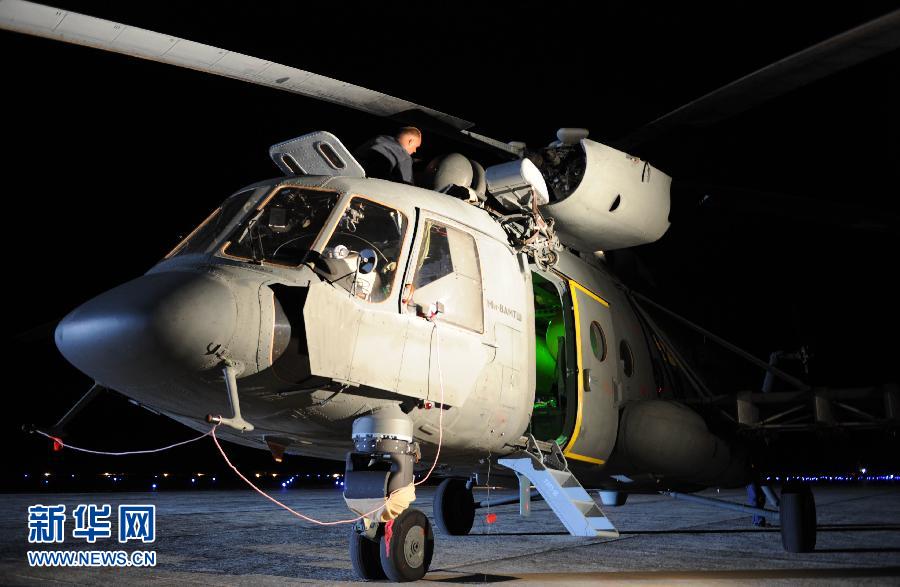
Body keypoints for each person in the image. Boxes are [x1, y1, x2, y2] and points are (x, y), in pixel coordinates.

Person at [353, 127, 422, 184]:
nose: (415, 150)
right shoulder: (404, 156)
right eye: (416, 147)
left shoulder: (378, 139)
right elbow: (406, 187)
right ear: (410, 141)